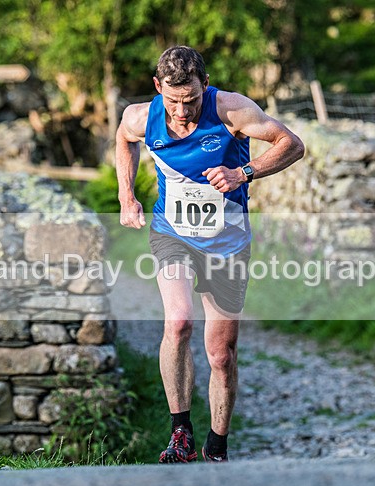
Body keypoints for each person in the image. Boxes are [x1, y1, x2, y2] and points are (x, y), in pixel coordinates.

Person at [116, 45, 304, 462]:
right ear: (157, 86)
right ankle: (180, 433)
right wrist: (126, 196)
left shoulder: (231, 110)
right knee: (179, 321)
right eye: (173, 100)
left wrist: (243, 173)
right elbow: (123, 139)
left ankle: (217, 445)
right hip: (173, 233)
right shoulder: (140, 116)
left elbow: (292, 144)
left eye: (191, 100)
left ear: (205, 83)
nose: (182, 111)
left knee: (221, 354)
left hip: (227, 242)